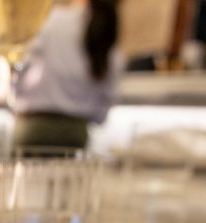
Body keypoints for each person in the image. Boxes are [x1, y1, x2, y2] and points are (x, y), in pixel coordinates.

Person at [12, 0, 123, 149]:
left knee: (27, 173)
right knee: (72, 173)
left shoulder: (51, 21)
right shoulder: (106, 28)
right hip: (76, 133)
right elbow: (106, 98)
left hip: (33, 127)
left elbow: (20, 66)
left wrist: (14, 95)